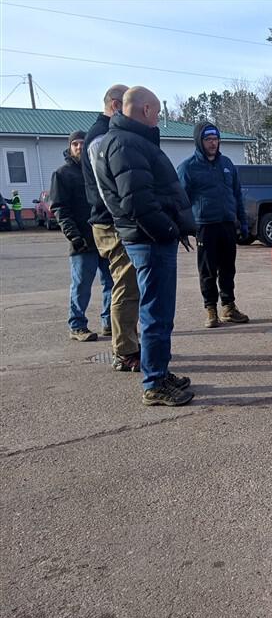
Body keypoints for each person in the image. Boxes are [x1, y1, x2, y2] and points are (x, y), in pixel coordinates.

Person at [95, 86, 195, 406]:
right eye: (158, 113)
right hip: (150, 242)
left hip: (150, 240)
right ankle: (153, 383)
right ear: (146, 110)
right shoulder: (125, 144)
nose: (159, 119)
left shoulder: (127, 141)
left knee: (160, 312)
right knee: (156, 313)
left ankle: (159, 372)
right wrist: (168, 230)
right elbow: (137, 201)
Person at [83, 83, 142, 371]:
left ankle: (129, 341)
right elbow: (108, 190)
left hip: (114, 221)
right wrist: (126, 217)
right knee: (126, 284)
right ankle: (125, 351)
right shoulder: (101, 138)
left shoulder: (106, 134)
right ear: (117, 106)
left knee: (128, 285)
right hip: (111, 224)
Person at [177, 122, 250, 328]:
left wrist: (242, 222)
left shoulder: (227, 164)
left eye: (215, 139)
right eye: (208, 139)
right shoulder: (187, 168)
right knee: (208, 270)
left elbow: (236, 195)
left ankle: (229, 307)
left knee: (228, 268)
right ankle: (210, 309)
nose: (213, 143)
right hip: (205, 226)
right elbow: (180, 202)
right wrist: (183, 228)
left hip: (227, 223)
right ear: (199, 141)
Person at [50, 131, 114, 342]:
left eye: (82, 143)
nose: (78, 147)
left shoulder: (96, 170)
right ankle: (77, 325)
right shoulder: (62, 174)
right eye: (75, 144)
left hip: (104, 237)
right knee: (81, 285)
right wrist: (73, 236)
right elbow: (60, 209)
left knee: (111, 283)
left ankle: (109, 322)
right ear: (69, 147)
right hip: (82, 240)